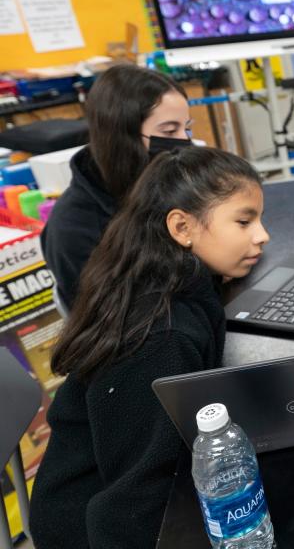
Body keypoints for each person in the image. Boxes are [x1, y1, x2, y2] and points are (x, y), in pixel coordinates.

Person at [30, 146, 269, 549]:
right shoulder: (159, 342)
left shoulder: (165, 271)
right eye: (244, 221)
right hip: (92, 528)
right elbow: (130, 506)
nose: (263, 235)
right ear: (181, 228)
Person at [41, 64, 193, 309]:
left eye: (186, 127)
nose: (185, 142)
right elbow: (109, 324)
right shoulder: (74, 229)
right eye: (169, 130)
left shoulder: (169, 175)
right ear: (124, 136)